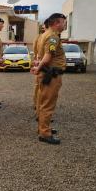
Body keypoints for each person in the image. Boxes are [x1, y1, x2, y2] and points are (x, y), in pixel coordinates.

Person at [31, 13, 67, 144]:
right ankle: (45, 133)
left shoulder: (45, 35)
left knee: (42, 103)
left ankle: (43, 128)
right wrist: (39, 68)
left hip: (47, 73)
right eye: (63, 22)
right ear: (56, 23)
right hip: (51, 75)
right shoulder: (52, 36)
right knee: (47, 104)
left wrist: (38, 67)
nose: (65, 24)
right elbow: (47, 57)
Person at [32, 19, 49, 117]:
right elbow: (36, 51)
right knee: (41, 89)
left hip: (40, 64)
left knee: (39, 87)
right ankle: (40, 111)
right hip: (43, 65)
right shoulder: (45, 37)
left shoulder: (41, 37)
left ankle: (37, 107)